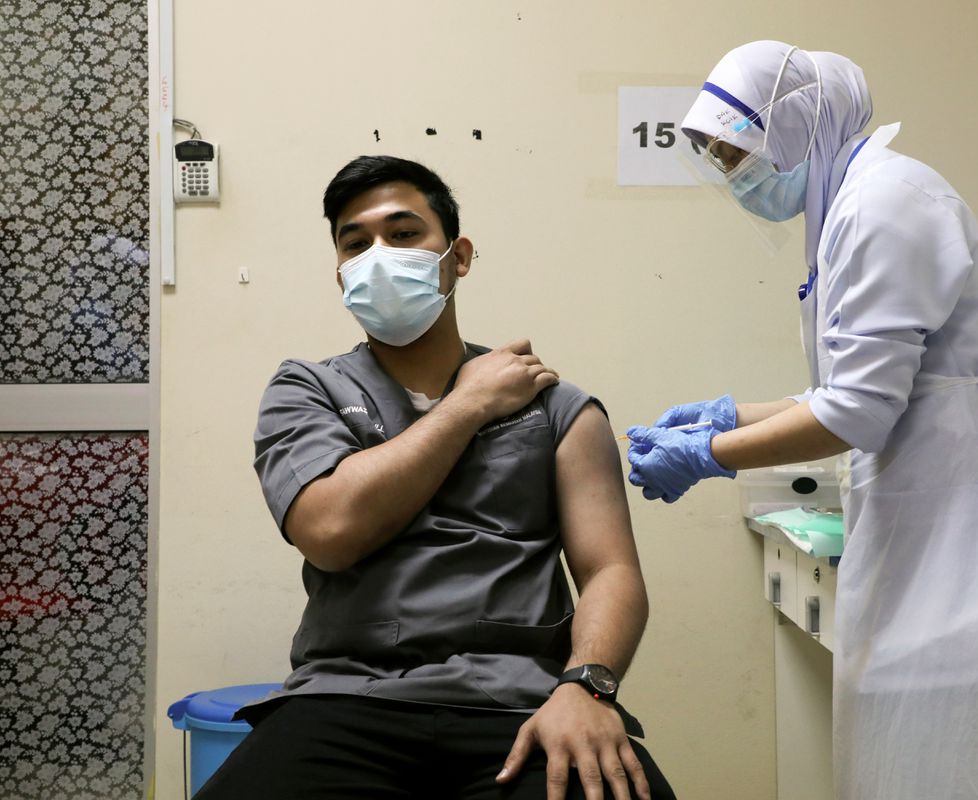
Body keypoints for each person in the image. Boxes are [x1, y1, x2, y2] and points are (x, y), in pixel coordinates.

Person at [624, 41, 978, 799]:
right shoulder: (854, 203)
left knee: (958, 765)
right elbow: (859, 390)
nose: (737, 174)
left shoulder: (885, 203)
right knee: (912, 761)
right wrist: (727, 414)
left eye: (738, 150)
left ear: (797, 126)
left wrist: (712, 453)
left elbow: (858, 409)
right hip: (943, 514)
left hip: (974, 532)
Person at [197, 155, 674, 800]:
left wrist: (586, 688)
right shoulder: (307, 390)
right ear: (340, 274)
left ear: (459, 255)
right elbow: (331, 530)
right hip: (346, 697)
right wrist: (469, 404)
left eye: (403, 234)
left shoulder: (559, 408)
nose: (379, 255)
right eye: (355, 242)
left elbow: (611, 571)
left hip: (522, 704)